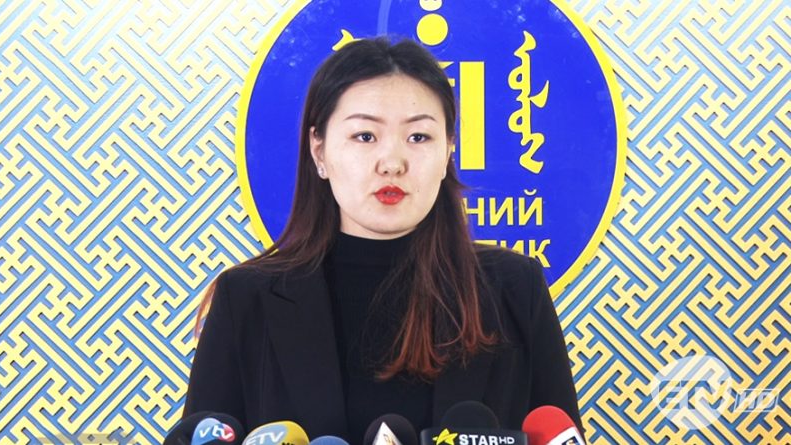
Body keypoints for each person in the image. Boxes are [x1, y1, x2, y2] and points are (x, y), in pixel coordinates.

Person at [182, 36, 581, 442]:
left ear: (448, 151)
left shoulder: (514, 288)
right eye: (365, 136)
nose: (392, 163)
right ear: (319, 151)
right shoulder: (245, 299)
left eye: (418, 137)